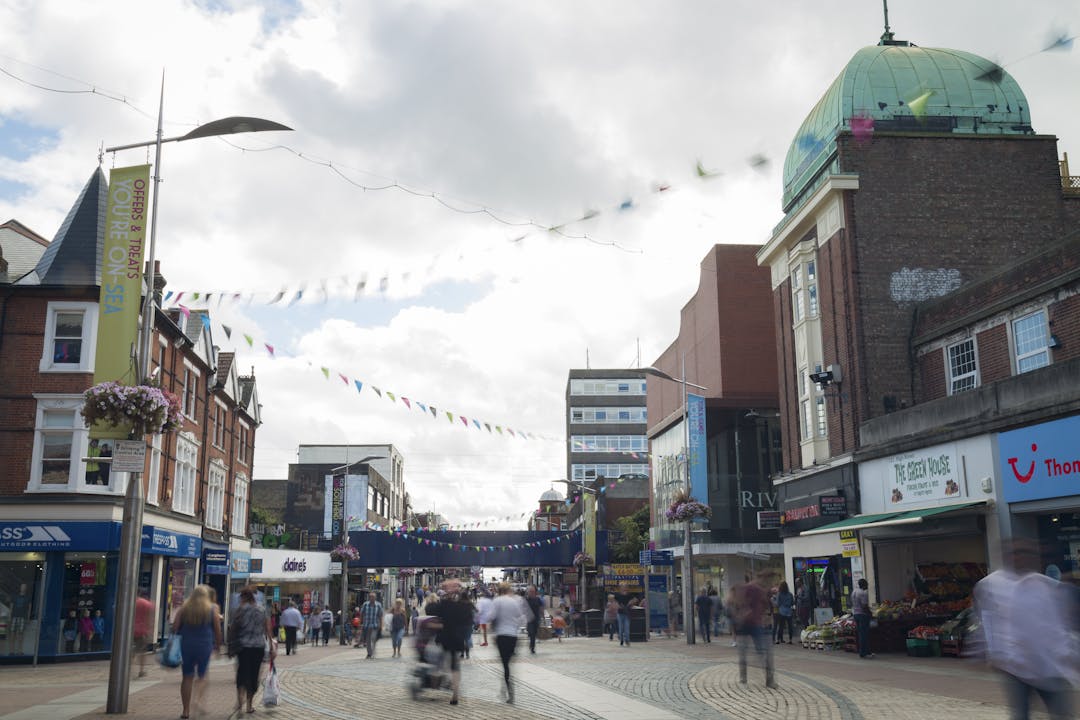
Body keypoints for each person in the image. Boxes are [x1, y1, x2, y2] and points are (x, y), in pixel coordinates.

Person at [974, 539, 1079, 720]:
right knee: (1021, 715)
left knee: (1062, 714)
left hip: (1050, 664)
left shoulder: (1045, 585)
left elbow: (1060, 623)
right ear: (1006, 557)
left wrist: (1070, 655)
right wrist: (988, 651)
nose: (1019, 557)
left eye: (1024, 553)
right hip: (1014, 665)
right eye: (1015, 553)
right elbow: (987, 619)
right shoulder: (990, 585)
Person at [172, 584, 223, 720]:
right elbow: (217, 629)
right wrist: (218, 645)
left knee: (187, 677)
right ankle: (197, 700)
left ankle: (185, 710)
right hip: (204, 645)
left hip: (186, 645)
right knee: (202, 676)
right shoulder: (212, 608)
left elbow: (175, 627)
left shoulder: (184, 608)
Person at [228, 585, 274, 715]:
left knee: (242, 674)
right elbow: (268, 628)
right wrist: (271, 645)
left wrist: (230, 646)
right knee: (254, 675)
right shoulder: (262, 609)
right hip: (258, 646)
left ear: (243, 597)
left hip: (243, 646)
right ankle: (249, 705)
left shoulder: (239, 610)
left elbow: (233, 629)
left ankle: (239, 701)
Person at [428, 581, 475, 705]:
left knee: (437, 663)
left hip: (444, 638)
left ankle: (435, 689)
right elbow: (469, 622)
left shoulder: (444, 604)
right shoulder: (465, 606)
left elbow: (430, 610)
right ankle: (455, 694)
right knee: (455, 667)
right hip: (458, 638)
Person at [733, 572, 776, 689]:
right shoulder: (751, 588)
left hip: (754, 624)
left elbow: (766, 605)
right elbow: (739, 602)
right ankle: (746, 677)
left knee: (760, 652)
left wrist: (765, 616)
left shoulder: (762, 591)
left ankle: (767, 679)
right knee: (753, 652)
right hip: (746, 624)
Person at [489, 583, 528, 704]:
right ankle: (505, 688)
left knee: (505, 665)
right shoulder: (514, 601)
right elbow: (522, 618)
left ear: (499, 590)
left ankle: (510, 692)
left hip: (502, 635)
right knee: (508, 664)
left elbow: (491, 616)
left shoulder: (497, 601)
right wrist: (515, 626)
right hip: (513, 636)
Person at [133, 589, 154, 677]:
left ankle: (127, 667)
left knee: (132, 650)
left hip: (131, 629)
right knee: (142, 652)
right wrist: (150, 629)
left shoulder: (132, 603)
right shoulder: (148, 604)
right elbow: (150, 619)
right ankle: (141, 671)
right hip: (142, 631)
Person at [851, 578, 873, 659]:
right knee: (864, 634)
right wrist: (870, 613)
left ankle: (864, 651)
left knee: (860, 633)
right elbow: (864, 606)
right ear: (864, 585)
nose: (867, 586)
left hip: (856, 614)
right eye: (866, 584)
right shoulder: (863, 593)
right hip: (862, 615)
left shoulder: (854, 592)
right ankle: (863, 652)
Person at [7, 582, 31, 655]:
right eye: (22, 586)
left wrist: (28, 617)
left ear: (26, 588)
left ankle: (19, 650)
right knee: (12, 634)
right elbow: (11, 607)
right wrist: (9, 617)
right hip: (14, 616)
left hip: (23, 617)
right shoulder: (15, 596)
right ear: (20, 587)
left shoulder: (28, 598)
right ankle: (11, 650)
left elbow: (29, 608)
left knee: (21, 634)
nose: (23, 588)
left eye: (24, 587)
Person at [359, 592, 383, 659]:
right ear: (369, 597)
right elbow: (361, 614)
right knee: (368, 640)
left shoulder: (378, 605)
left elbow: (380, 616)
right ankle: (369, 653)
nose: (372, 598)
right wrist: (360, 624)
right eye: (371, 597)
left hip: (375, 626)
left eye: (373, 597)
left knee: (373, 639)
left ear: (375, 598)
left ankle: (372, 652)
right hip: (366, 625)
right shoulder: (365, 605)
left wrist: (381, 626)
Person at [524, 586, 543, 654]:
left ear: (535, 592)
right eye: (530, 591)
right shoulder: (526, 599)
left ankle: (532, 645)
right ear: (528, 592)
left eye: (533, 591)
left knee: (534, 634)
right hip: (529, 620)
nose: (531, 593)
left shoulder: (538, 599)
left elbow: (541, 608)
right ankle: (532, 647)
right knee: (531, 633)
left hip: (536, 619)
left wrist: (542, 616)